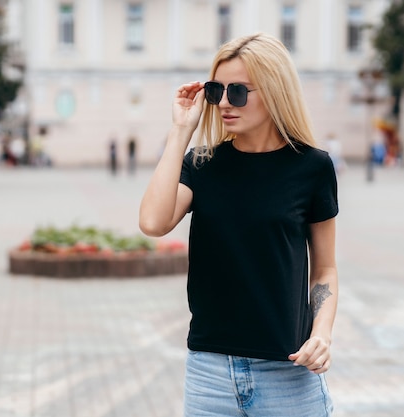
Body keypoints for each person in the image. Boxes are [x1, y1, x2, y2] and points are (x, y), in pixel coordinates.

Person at [139, 33, 338, 416]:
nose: (225, 102)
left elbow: (325, 268)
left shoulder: (312, 168)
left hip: (288, 373)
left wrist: (322, 333)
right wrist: (181, 131)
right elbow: (152, 221)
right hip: (209, 372)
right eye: (216, 90)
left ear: (275, 91)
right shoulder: (202, 164)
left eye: (239, 91)